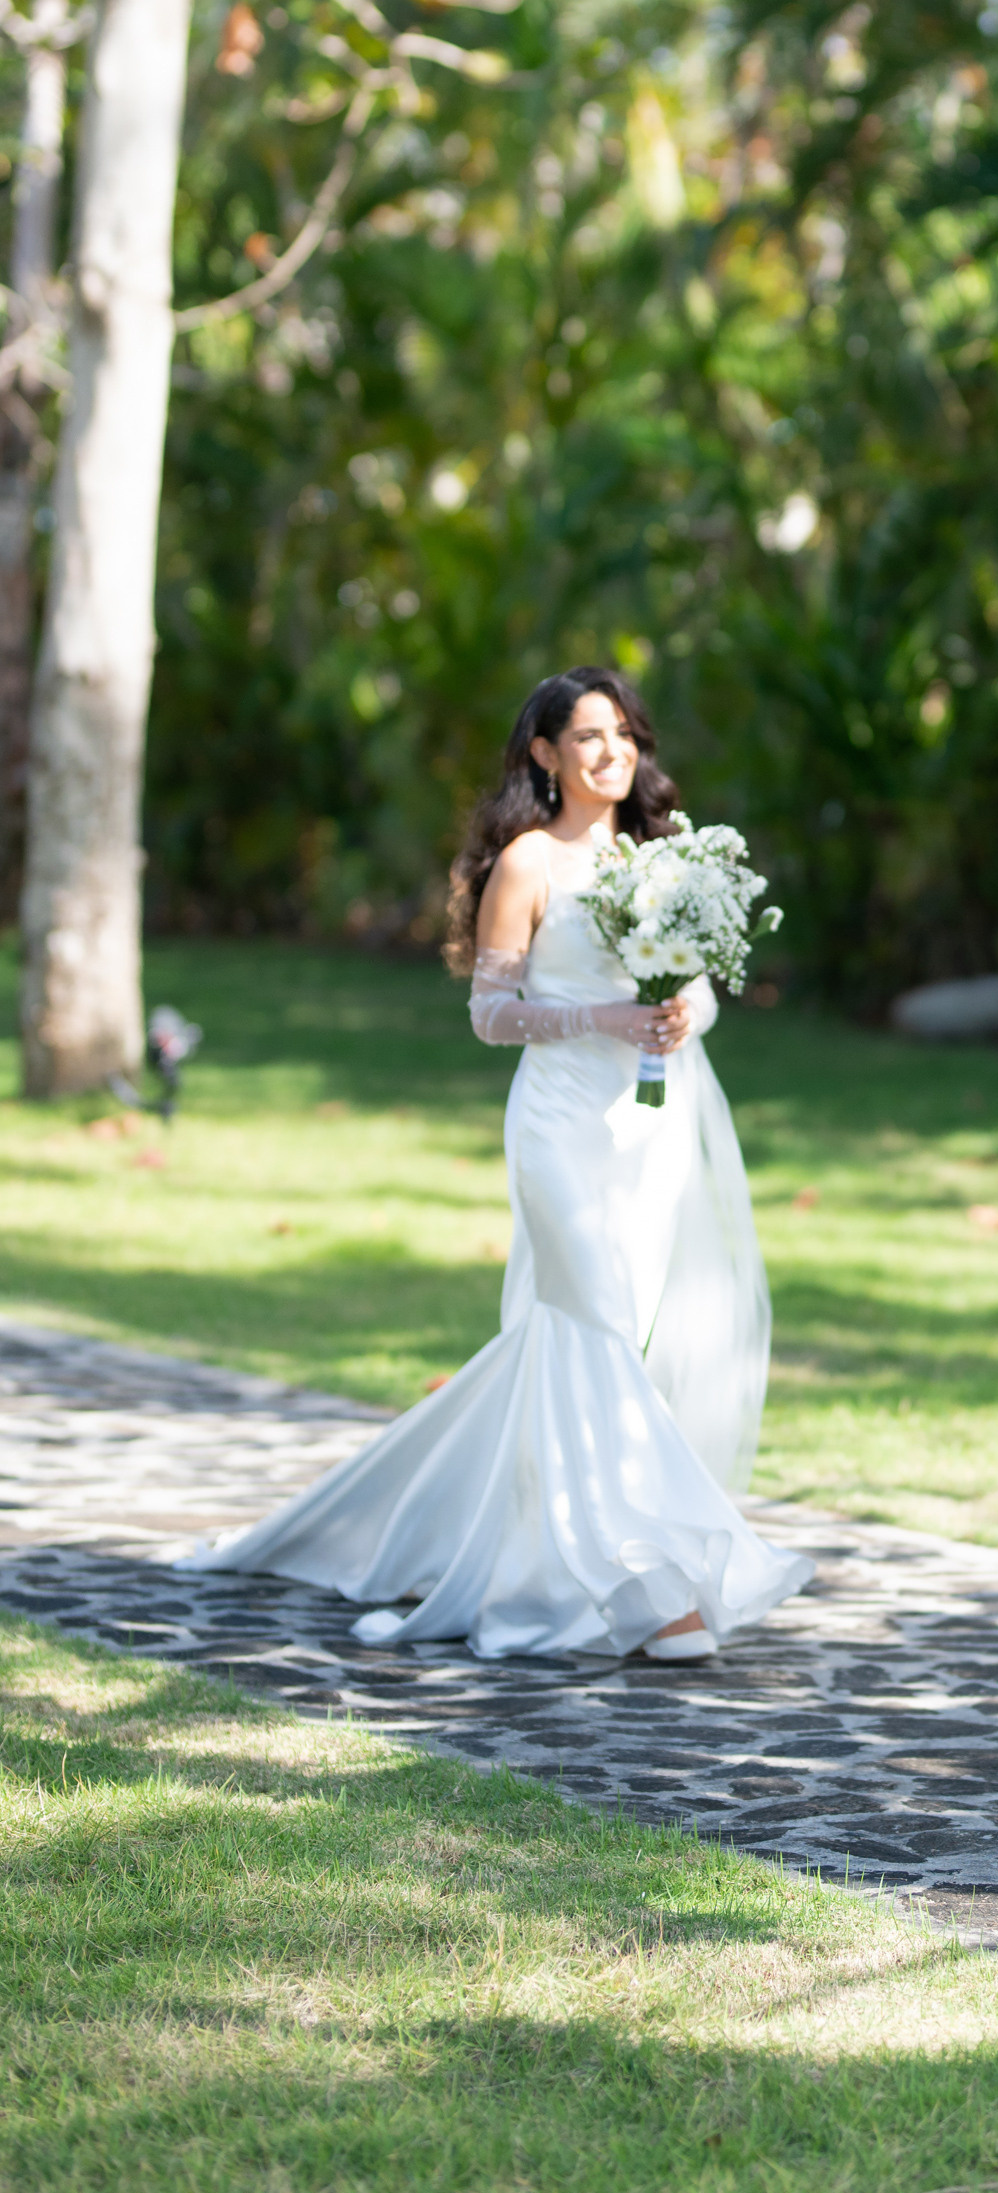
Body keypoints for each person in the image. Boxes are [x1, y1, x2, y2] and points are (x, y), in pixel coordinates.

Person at [180, 664, 812, 1661]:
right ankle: (651, 1592)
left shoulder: (668, 857)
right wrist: (599, 1016)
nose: (613, 754)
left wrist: (693, 1010)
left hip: (651, 1126)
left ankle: (504, 1542)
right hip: (561, 1125)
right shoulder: (527, 864)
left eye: (625, 736)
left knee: (592, 1342)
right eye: (590, 737)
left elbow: (702, 975)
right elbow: (489, 1014)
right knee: (595, 1321)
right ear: (545, 753)